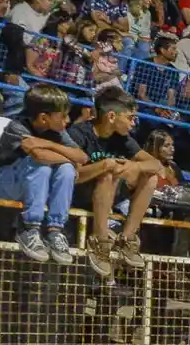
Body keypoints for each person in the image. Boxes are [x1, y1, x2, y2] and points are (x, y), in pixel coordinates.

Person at [67, 87, 163, 277]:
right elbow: (73, 175)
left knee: (150, 176)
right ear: (111, 116)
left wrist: (134, 167)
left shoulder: (122, 138)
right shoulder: (79, 133)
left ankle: (127, 239)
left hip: (109, 194)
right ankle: (100, 242)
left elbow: (156, 164)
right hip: (79, 192)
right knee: (109, 173)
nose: (133, 123)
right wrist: (105, 166)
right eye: (130, 117)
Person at [0, 85, 87, 264]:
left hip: (31, 185)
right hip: (3, 183)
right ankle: (29, 229)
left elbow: (82, 157)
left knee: (66, 169)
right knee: (41, 165)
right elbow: (39, 156)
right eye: (63, 116)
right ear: (43, 118)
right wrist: (66, 156)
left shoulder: (58, 132)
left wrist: (48, 145)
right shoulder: (17, 127)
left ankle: (55, 230)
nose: (68, 120)